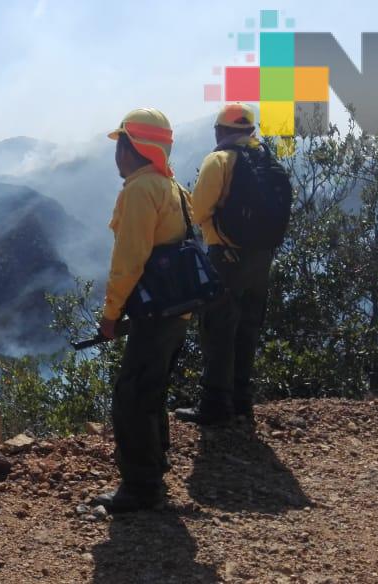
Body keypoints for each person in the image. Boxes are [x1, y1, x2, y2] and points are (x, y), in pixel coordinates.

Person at [91, 108, 191, 513]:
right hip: (177, 309)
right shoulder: (171, 186)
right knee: (151, 389)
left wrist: (111, 313)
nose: (117, 154)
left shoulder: (139, 190)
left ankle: (141, 487)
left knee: (130, 396)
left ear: (135, 148)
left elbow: (129, 260)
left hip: (154, 313)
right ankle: (154, 466)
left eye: (121, 145)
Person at [175, 103, 273, 426]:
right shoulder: (265, 159)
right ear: (250, 130)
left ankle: (215, 405)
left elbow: (197, 211)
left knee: (218, 328)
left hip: (227, 257)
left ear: (220, 131)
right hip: (261, 259)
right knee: (247, 327)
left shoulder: (218, 161)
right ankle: (242, 401)